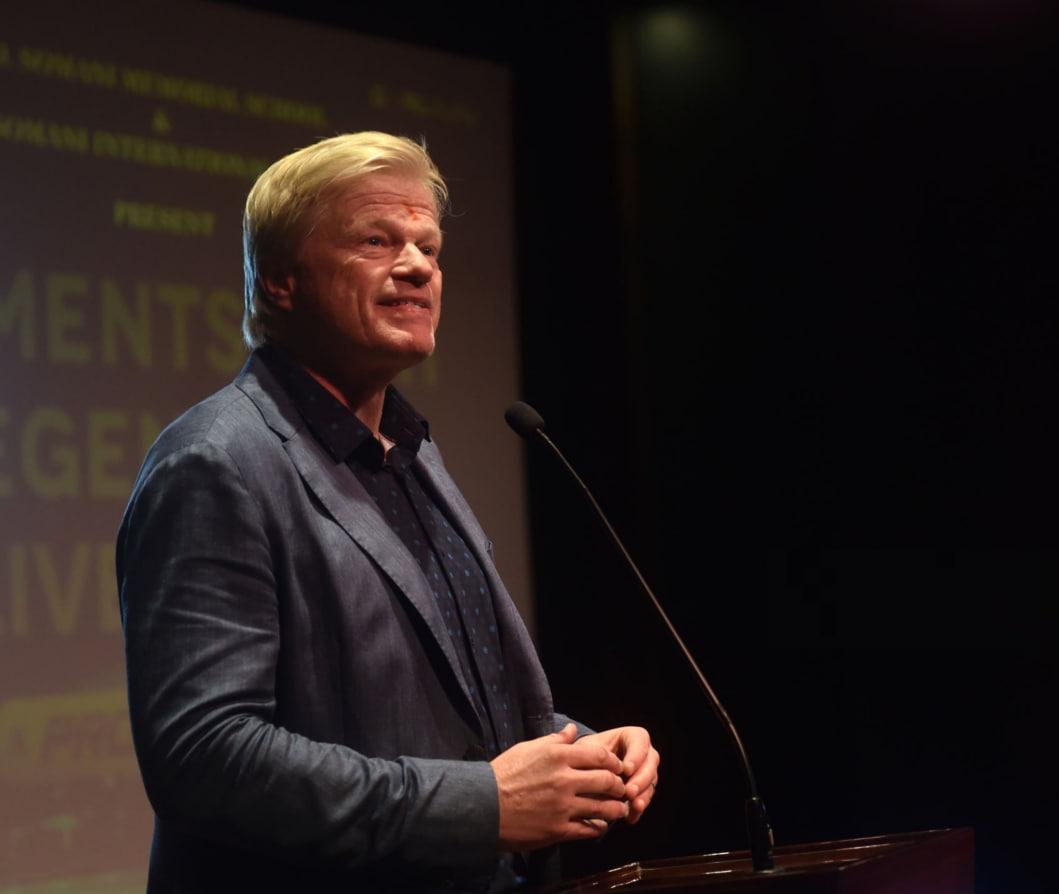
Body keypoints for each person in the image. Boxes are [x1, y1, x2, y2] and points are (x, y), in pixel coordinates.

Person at [116, 132, 658, 894]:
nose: (417, 266)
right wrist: (482, 806)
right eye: (377, 241)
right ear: (280, 281)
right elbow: (203, 760)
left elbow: (443, 717)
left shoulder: (410, 453)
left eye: (428, 247)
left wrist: (579, 756)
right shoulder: (215, 462)